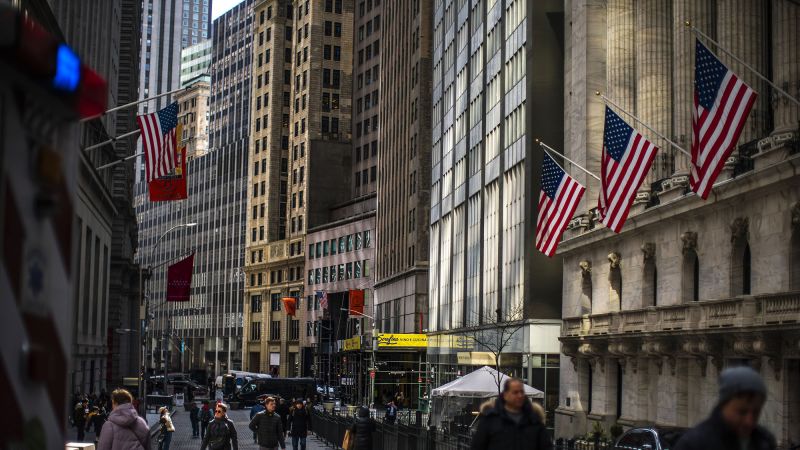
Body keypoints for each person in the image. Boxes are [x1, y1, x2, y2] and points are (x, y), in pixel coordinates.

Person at [674, 366, 776, 450]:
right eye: (742, 412)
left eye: (755, 412)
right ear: (723, 405)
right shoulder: (693, 444)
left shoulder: (764, 441)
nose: (749, 421)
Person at [470, 378, 552, 450]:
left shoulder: (534, 420)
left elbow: (545, 446)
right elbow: (477, 446)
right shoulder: (490, 419)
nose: (519, 395)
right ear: (505, 395)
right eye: (515, 392)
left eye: (522, 392)